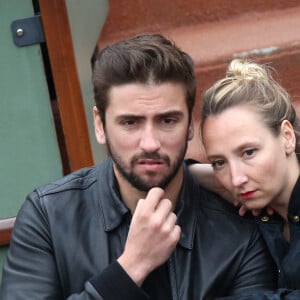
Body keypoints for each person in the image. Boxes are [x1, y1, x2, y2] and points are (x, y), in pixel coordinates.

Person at [0, 34, 276, 299]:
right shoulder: (49, 216)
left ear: (190, 124)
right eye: (130, 122)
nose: (150, 143)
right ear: (100, 125)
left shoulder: (240, 229)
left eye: (167, 120)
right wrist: (130, 268)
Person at [191, 58, 300, 299]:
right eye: (219, 162)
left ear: (287, 137)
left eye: (248, 152)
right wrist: (194, 173)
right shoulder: (262, 215)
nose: (236, 179)